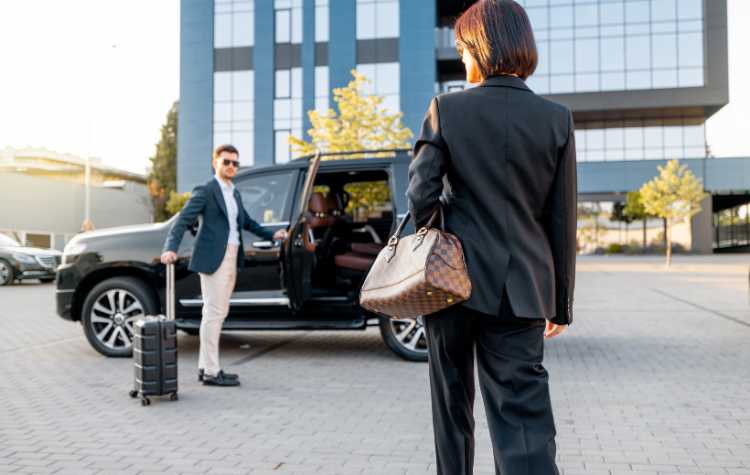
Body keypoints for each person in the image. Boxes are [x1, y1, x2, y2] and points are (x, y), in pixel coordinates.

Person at [406, 1, 576, 473]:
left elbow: (420, 195)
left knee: (451, 406)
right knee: (523, 418)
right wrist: (560, 303)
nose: (463, 59)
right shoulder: (556, 118)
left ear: (481, 48)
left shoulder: (446, 109)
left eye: (463, 49)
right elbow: (562, 221)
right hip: (523, 290)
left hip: (450, 288)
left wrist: (442, 235)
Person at [161, 144, 288, 387]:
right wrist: (171, 248)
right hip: (213, 259)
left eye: (234, 163)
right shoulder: (207, 190)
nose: (231, 166)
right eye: (226, 162)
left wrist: (273, 235)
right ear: (215, 163)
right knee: (214, 313)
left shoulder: (233, 192)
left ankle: (205, 367)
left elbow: (248, 222)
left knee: (217, 313)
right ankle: (211, 371)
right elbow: (183, 220)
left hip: (232, 256)